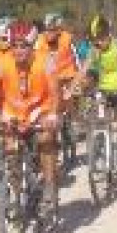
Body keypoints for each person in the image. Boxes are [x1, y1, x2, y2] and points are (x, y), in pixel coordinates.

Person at [0, 20, 61, 216]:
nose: (18, 51)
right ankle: (18, 197)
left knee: (46, 138)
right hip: (12, 111)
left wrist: (53, 114)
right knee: (11, 152)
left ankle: (49, 188)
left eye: (24, 46)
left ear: (32, 46)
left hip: (40, 110)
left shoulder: (46, 61)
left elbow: (55, 92)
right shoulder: (0, 64)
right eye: (14, 46)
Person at [73, 15, 117, 192]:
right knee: (100, 121)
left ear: (109, 33)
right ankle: (104, 152)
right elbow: (84, 69)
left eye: (101, 38)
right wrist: (72, 87)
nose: (99, 42)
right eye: (95, 39)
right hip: (104, 90)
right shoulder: (94, 49)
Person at [36, 12, 80, 168]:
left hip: (67, 76)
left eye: (52, 30)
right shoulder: (39, 41)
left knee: (68, 98)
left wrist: (76, 82)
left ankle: (73, 122)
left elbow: (78, 60)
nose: (49, 33)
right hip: (49, 80)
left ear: (59, 30)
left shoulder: (67, 39)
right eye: (46, 30)